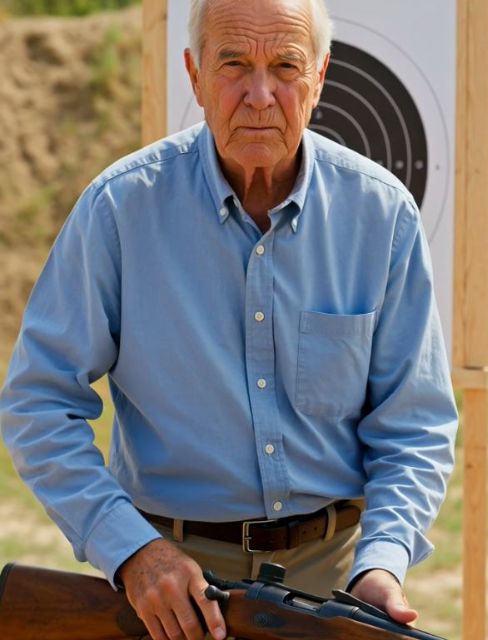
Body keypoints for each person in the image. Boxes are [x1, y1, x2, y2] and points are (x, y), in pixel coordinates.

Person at [0, 0, 458, 639]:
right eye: (234, 64)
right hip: (166, 591)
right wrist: (132, 551)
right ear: (194, 75)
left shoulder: (383, 216)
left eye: (286, 66)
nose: (260, 95)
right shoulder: (119, 211)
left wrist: (381, 562)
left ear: (321, 76)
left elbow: (414, 424)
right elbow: (39, 404)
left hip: (336, 582)